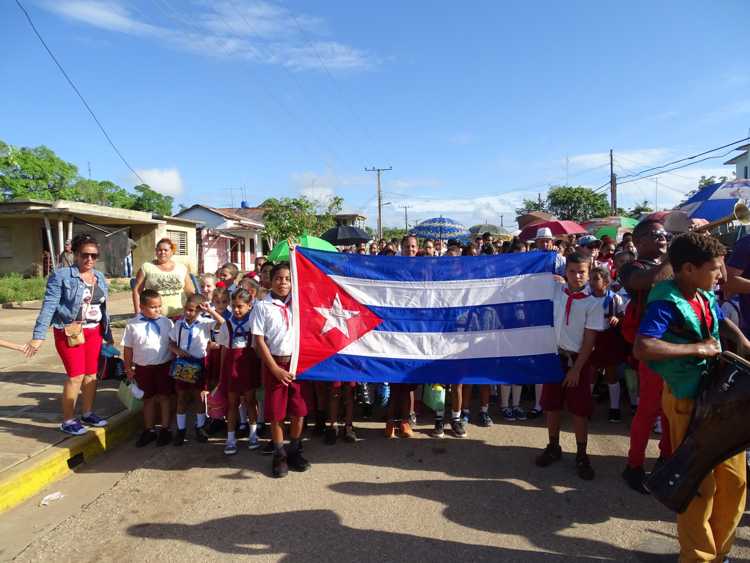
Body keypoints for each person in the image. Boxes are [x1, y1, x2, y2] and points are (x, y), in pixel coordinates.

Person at [634, 232, 749, 563]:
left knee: (735, 482)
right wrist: (698, 348)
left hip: (719, 400)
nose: (723, 276)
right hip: (688, 402)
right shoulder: (665, 299)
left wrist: (741, 340)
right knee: (699, 486)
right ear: (687, 269)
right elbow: (643, 347)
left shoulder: (702, 291)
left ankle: (721, 553)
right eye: (715, 268)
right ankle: (697, 557)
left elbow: (719, 317)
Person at [25, 233, 113, 435]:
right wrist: (38, 336)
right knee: (76, 376)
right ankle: (67, 420)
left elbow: (103, 308)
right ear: (75, 254)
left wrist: (107, 334)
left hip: (94, 331)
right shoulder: (61, 276)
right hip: (70, 332)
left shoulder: (98, 276)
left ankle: (88, 412)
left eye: (94, 255)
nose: (89, 259)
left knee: (91, 375)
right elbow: (49, 307)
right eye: (84, 255)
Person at [535, 253, 605, 480]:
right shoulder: (556, 292)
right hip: (554, 357)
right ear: (565, 271)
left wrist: (576, 369)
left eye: (582, 272)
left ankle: (582, 454)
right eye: (572, 271)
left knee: (579, 409)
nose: (577, 276)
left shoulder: (593, 304)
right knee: (551, 405)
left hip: (578, 361)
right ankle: (553, 446)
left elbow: (589, 340)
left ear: (589, 271)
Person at [619, 220, 673, 494]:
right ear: (639, 242)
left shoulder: (668, 263)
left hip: (676, 347)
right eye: (656, 234)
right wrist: (675, 254)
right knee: (650, 408)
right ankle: (634, 465)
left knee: (672, 410)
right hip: (651, 348)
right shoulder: (631, 268)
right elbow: (651, 280)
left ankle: (666, 461)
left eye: (665, 234)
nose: (663, 237)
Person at [252, 263, 311, 477]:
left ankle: (295, 450)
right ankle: (280, 454)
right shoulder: (262, 306)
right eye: (278, 278)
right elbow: (259, 340)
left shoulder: (299, 302)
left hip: (298, 365)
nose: (283, 282)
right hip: (275, 364)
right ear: (270, 280)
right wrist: (275, 369)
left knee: (299, 410)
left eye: (288, 278)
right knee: (276, 413)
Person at [169, 293, 225, 446]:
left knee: (199, 397)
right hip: (183, 364)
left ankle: (199, 427)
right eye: (186, 309)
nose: (188, 313)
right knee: (181, 397)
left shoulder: (205, 323)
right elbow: (171, 342)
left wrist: (210, 310)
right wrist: (177, 351)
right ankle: (181, 430)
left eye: (192, 310)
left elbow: (223, 323)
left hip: (199, 364)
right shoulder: (179, 324)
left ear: (200, 310)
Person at [122, 289, 175, 447]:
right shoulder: (133, 325)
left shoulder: (167, 322)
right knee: (148, 399)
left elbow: (172, 343)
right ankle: (149, 430)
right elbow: (128, 348)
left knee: (165, 398)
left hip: (164, 366)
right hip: (143, 368)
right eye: (153, 307)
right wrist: (128, 367)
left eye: (159, 306)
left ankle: (165, 429)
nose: (157, 309)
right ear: (142, 306)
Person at [219, 288, 261, 454]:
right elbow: (224, 349)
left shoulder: (254, 323)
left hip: (248, 366)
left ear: (250, 306)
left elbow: (258, 347)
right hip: (231, 367)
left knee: (250, 401)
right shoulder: (226, 325)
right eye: (234, 306)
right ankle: (230, 439)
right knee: (232, 403)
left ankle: (253, 435)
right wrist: (223, 372)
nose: (236, 310)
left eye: (240, 306)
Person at [588, 266, 627, 422]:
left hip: (609, 338)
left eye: (596, 279)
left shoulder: (614, 298)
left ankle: (615, 408)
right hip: (592, 338)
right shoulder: (586, 297)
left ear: (605, 282)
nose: (591, 282)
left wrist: (618, 319)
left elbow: (624, 317)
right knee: (591, 373)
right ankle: (586, 406)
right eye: (590, 279)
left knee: (611, 374)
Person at [132, 238, 194, 318]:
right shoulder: (147, 267)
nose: (162, 252)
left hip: (180, 316)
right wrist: (138, 313)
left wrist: (193, 310)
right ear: (156, 251)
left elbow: (190, 292)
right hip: (155, 316)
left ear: (172, 252)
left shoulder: (181, 268)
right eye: (159, 250)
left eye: (166, 250)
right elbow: (137, 291)